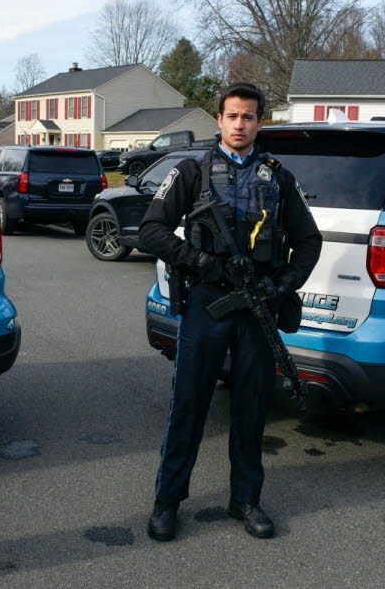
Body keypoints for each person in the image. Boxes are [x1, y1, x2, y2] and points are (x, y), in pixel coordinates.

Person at [139, 82, 322, 541]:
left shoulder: (278, 177)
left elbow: (308, 242)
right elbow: (152, 231)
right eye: (232, 116)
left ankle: (246, 499)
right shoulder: (192, 172)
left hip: (257, 303)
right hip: (207, 301)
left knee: (251, 406)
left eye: (249, 116)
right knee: (189, 404)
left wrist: (281, 285)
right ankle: (167, 502)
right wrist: (200, 262)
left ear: (261, 121)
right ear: (219, 119)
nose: (240, 124)